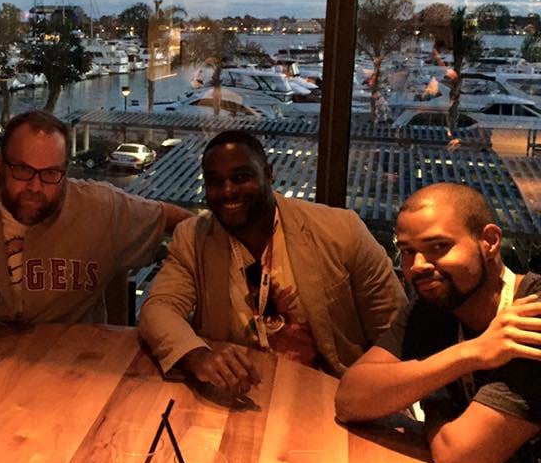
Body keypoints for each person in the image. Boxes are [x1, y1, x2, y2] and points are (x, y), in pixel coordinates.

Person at [138, 130, 406, 394]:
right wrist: (197, 355)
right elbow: (159, 308)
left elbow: (394, 328)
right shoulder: (193, 237)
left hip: (329, 394)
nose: (228, 190)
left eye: (241, 177)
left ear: (268, 173)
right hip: (238, 393)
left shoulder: (341, 231)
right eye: (215, 181)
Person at [336, 183, 541, 463]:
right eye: (408, 251)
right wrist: (471, 354)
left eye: (439, 247)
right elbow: (350, 399)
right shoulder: (434, 307)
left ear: (489, 241)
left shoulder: (531, 317)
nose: (418, 266)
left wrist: (433, 404)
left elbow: (460, 459)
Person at [0, 110, 193, 328]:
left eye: (50, 174)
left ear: (65, 172)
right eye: (22, 170)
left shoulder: (101, 208)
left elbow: (182, 224)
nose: (35, 187)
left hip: (75, 370)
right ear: (0, 166)